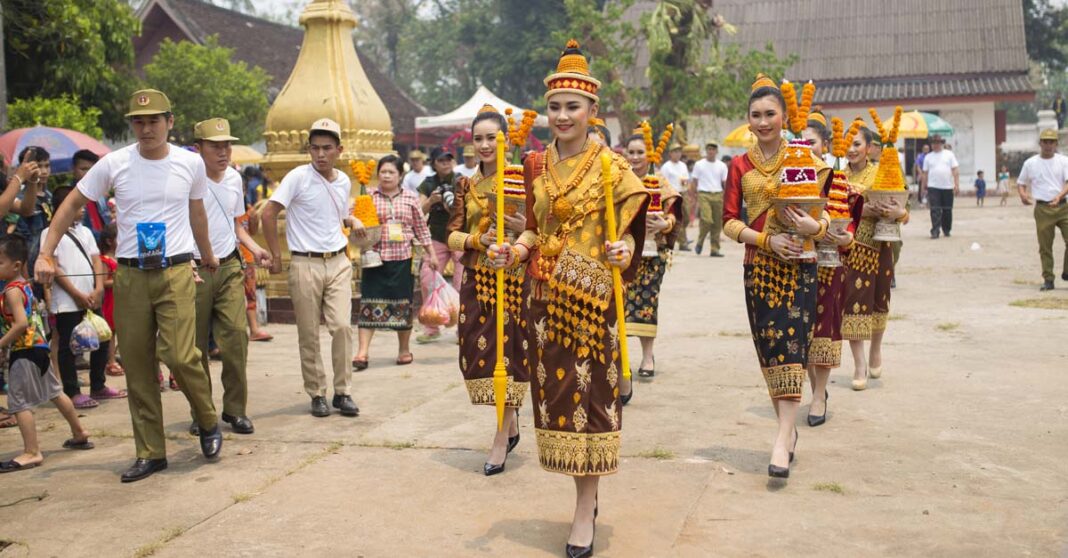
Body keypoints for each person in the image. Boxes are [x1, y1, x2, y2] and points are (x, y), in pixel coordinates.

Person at [488, 40, 647, 555]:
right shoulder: (534, 165)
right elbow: (534, 230)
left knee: (592, 403)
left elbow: (633, 221)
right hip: (543, 302)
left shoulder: (611, 166)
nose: (561, 116)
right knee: (557, 403)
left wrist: (624, 249)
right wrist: (513, 250)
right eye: (554, 107)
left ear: (592, 112)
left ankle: (585, 509)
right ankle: (581, 497)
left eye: (571, 107)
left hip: (592, 300)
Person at [36, 89, 223, 483]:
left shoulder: (190, 163)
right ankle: (151, 452)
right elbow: (71, 204)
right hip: (131, 274)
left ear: (170, 122)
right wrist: (46, 252)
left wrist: (207, 254)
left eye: (154, 120)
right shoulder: (114, 164)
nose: (146, 128)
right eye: (139, 121)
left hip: (175, 271)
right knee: (137, 366)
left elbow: (197, 212)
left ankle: (207, 419)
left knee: (179, 355)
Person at [723, 75, 829, 480]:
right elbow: (729, 224)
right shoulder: (740, 165)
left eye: (770, 114)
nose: (763, 121)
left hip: (800, 268)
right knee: (771, 357)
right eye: (756, 115)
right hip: (759, 269)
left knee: (792, 352)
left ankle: (782, 439)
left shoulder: (807, 161)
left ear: (784, 117)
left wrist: (811, 230)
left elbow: (829, 222)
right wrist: (767, 241)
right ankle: (788, 432)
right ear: (748, 121)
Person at [444, 105, 527, 475]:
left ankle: (499, 438)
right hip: (477, 279)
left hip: (513, 279)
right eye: (477, 138)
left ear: (504, 139)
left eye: (491, 138)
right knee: (476, 351)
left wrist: (522, 225)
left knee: (506, 355)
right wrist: (480, 239)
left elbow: (539, 229)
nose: (483, 145)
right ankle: (510, 423)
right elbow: (452, 234)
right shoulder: (465, 184)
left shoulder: (522, 179)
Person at [262, 118, 360, 418]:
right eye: (315, 148)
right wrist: (276, 256)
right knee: (308, 332)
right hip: (304, 261)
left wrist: (353, 221)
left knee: (342, 327)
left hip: (338, 260)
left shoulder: (343, 181)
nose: (320, 154)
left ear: (338, 150)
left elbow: (340, 216)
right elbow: (268, 214)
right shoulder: (297, 177)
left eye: (327, 148)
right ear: (309, 149)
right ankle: (317, 392)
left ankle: (343, 392)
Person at [190, 118, 273, 435]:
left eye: (227, 145)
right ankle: (201, 412)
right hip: (194, 268)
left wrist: (256, 248)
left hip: (228, 266)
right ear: (199, 149)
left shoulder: (234, 180)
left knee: (237, 337)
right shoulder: (187, 180)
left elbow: (236, 225)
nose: (223, 152)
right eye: (215, 146)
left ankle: (235, 409)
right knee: (195, 347)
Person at [0, 235, 94, 473]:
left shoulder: (11, 291)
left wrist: (2, 343)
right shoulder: (26, 286)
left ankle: (31, 451)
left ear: (17, 265)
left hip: (24, 351)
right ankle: (79, 432)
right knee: (55, 392)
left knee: (19, 403)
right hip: (40, 348)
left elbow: (20, 324)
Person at [42, 186, 125, 410]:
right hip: (67, 301)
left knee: (103, 337)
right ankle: (72, 391)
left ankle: (98, 385)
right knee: (69, 347)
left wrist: (98, 288)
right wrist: (76, 293)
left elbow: (96, 259)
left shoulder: (86, 232)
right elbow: (55, 267)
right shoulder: (49, 233)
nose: (82, 211)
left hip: (91, 297)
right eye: (78, 207)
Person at [351, 156, 437, 369]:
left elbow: (421, 228)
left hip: (402, 260)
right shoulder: (367, 195)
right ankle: (362, 353)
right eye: (383, 172)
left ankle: (403, 350)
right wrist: (353, 220)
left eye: (391, 172)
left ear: (400, 176)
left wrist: (431, 254)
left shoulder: (410, 198)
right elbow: (349, 217)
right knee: (369, 304)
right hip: (374, 259)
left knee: (403, 305)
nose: (386, 176)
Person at [842, 118, 908, 390]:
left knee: (880, 301)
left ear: (869, 147)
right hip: (849, 247)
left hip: (879, 247)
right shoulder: (837, 176)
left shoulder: (883, 172)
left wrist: (898, 213)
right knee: (851, 305)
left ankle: (876, 349)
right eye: (847, 144)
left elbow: (905, 211)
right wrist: (861, 210)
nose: (851, 149)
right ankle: (859, 364)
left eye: (857, 144)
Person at [802, 113, 859, 427]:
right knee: (804, 332)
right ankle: (815, 387)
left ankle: (820, 394)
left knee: (825, 329)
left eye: (811, 143)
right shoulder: (789, 178)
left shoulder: (837, 179)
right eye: (800, 143)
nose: (806, 149)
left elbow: (850, 221)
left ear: (824, 145)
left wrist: (846, 236)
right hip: (796, 264)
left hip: (828, 265)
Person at [623, 132, 682, 383]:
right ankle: (621, 359)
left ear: (650, 156)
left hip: (652, 254)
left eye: (640, 153)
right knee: (622, 305)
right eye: (631, 152)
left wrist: (664, 225)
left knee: (647, 304)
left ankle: (648, 356)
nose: (635, 158)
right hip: (623, 253)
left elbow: (674, 213)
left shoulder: (659, 182)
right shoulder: (620, 180)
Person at [417, 146, 462, 343]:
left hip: (459, 236)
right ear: (434, 164)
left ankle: (463, 327)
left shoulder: (461, 180)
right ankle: (432, 325)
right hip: (436, 237)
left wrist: (451, 205)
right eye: (441, 160)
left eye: (448, 160)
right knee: (427, 278)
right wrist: (432, 200)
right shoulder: (428, 184)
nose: (445, 163)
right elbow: (419, 211)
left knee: (463, 282)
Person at [1016, 129, 1068, 291]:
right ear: (1040, 143)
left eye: (1051, 142)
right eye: (1045, 141)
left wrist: (1059, 197)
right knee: (1045, 246)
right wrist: (1023, 195)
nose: (1048, 145)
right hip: (1043, 208)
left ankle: (1067, 271)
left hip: (1063, 206)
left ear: (1056, 144)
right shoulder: (1030, 163)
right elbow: (1021, 182)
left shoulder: (1064, 161)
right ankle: (1048, 279)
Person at [237, 201, 273, 342]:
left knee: (251, 294)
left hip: (248, 258)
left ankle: (254, 329)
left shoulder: (247, 210)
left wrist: (254, 219)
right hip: (232, 259)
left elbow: (252, 231)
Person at [14, 146, 53, 267]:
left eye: (46, 165)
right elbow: (21, 238)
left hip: (50, 257)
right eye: (38, 166)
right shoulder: (19, 197)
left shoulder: (49, 196)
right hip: (31, 261)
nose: (44, 171)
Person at [691, 141, 728, 256]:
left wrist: (726, 197)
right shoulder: (699, 164)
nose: (711, 151)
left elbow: (725, 182)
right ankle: (700, 242)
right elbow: (694, 181)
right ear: (706, 151)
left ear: (716, 151)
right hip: (704, 194)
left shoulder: (722, 165)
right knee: (707, 220)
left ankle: (714, 249)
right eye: (709, 149)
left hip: (718, 194)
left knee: (717, 223)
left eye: (713, 149)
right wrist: (694, 195)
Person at [97, 224, 123, 377]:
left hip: (119, 300)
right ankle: (111, 361)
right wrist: (119, 281)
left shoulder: (118, 259)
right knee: (111, 333)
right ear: (109, 241)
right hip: (109, 301)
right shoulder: (105, 261)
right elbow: (103, 281)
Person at [923, 134, 959, 238]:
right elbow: (925, 173)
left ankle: (946, 229)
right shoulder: (928, 157)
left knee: (947, 210)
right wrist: (924, 186)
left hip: (947, 186)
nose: (936, 145)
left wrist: (956, 184)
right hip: (933, 187)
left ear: (941, 144)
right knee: (935, 209)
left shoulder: (949, 155)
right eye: (934, 143)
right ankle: (935, 230)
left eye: (938, 143)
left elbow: (955, 170)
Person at [71, 150, 110, 240]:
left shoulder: (100, 193)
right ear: (73, 169)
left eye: (92, 169)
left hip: (104, 244)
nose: (88, 173)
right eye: (83, 169)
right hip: (84, 243)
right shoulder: (69, 195)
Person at [659, 144, 691, 251]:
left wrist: (686, 183)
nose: (677, 154)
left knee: (686, 217)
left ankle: (677, 234)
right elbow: (663, 183)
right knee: (678, 217)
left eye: (679, 152)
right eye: (675, 152)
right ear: (670, 153)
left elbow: (686, 179)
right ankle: (683, 242)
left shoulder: (683, 165)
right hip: (673, 195)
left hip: (684, 192)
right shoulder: (666, 167)